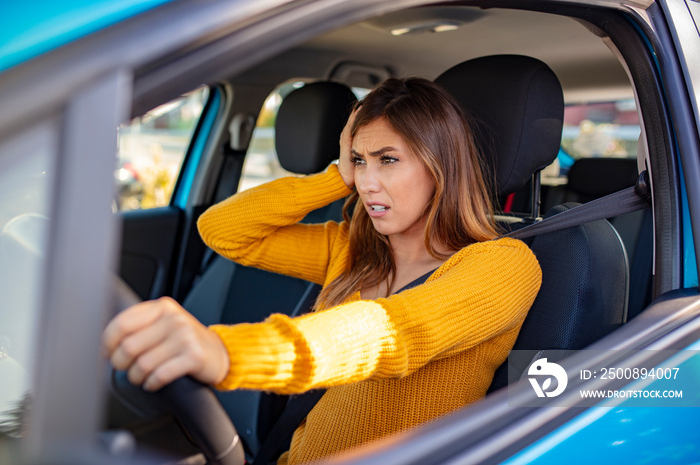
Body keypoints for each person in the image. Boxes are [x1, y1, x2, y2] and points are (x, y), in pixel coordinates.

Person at [102, 77, 542, 464]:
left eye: (388, 160)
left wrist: (224, 352)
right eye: (359, 160)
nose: (367, 183)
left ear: (440, 165)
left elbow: (391, 333)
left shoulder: (501, 265)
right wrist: (335, 176)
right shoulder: (351, 249)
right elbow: (221, 230)